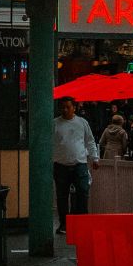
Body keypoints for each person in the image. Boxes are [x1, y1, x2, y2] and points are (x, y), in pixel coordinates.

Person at [53, 97, 98, 234]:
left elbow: (90, 141)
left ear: (74, 108)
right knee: (62, 196)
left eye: (68, 107)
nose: (65, 110)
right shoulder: (54, 124)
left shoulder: (82, 123)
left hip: (80, 163)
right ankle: (64, 224)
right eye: (63, 107)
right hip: (61, 164)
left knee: (83, 193)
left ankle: (82, 221)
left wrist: (94, 157)